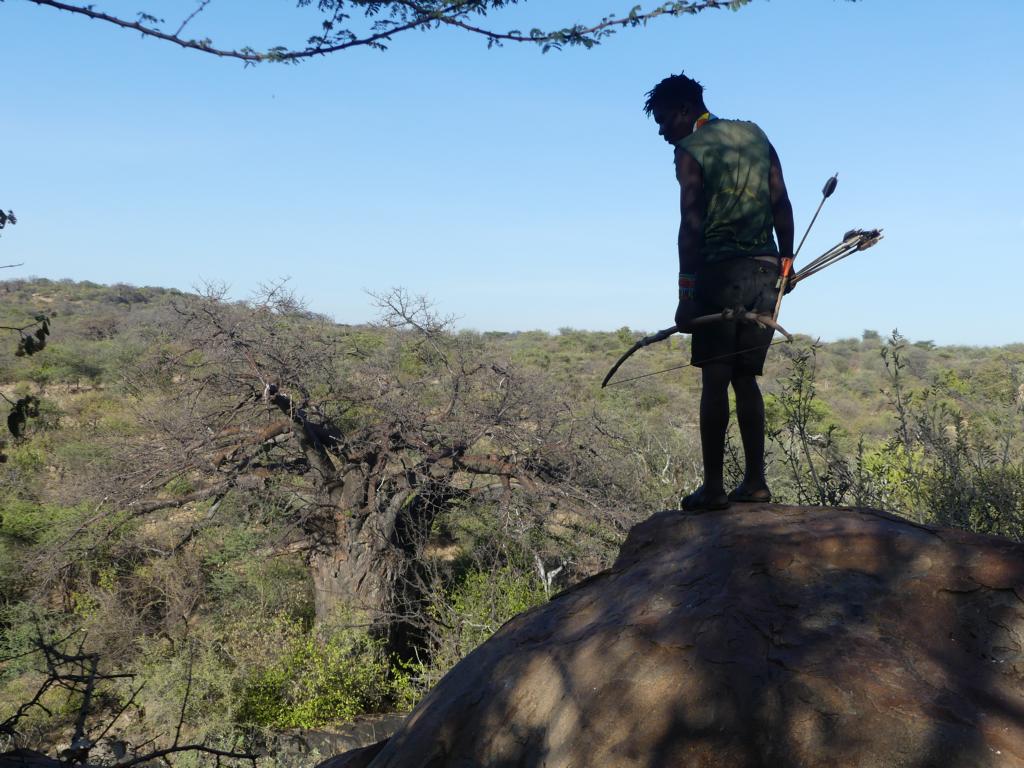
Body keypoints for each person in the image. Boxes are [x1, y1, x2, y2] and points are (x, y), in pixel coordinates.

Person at [644, 72, 794, 511]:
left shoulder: (691, 150)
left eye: (663, 119)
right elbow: (780, 200)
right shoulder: (755, 135)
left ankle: (713, 489)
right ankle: (756, 483)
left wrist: (686, 293)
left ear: (685, 110)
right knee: (744, 377)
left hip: (718, 271)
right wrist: (786, 261)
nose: (662, 131)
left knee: (716, 377)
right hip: (766, 270)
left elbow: (690, 223)